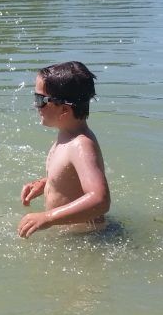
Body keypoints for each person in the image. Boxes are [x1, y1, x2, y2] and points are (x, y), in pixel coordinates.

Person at [18, 61, 111, 238]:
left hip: (89, 239)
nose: (35, 105)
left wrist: (48, 217)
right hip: (74, 235)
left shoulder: (81, 144)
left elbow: (100, 200)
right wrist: (49, 182)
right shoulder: (67, 135)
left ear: (64, 110)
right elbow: (71, 176)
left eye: (40, 100)